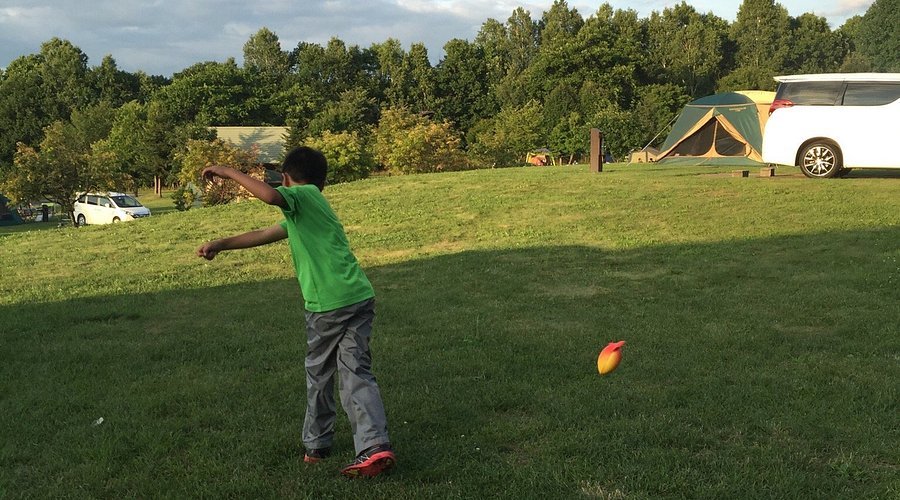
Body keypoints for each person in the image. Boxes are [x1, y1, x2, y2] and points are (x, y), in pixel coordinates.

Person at [196, 146, 395, 479]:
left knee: (319, 374)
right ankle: (374, 447)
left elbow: (271, 197)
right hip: (358, 297)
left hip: (328, 306)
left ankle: (317, 445)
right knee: (355, 372)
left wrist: (228, 172)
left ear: (287, 179)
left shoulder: (300, 196)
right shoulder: (311, 207)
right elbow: (265, 234)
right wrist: (221, 243)